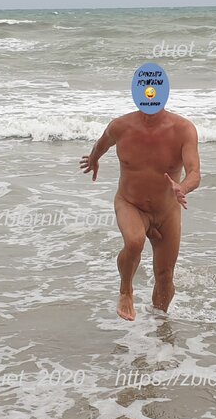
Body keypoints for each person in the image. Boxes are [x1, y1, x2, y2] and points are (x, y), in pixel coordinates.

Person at [79, 109, 201, 320]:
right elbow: (102, 144)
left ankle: (159, 323)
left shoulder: (183, 129)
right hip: (130, 203)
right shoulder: (120, 126)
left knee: (164, 276)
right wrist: (93, 159)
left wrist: (183, 187)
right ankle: (126, 291)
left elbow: (194, 172)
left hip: (166, 211)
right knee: (135, 241)